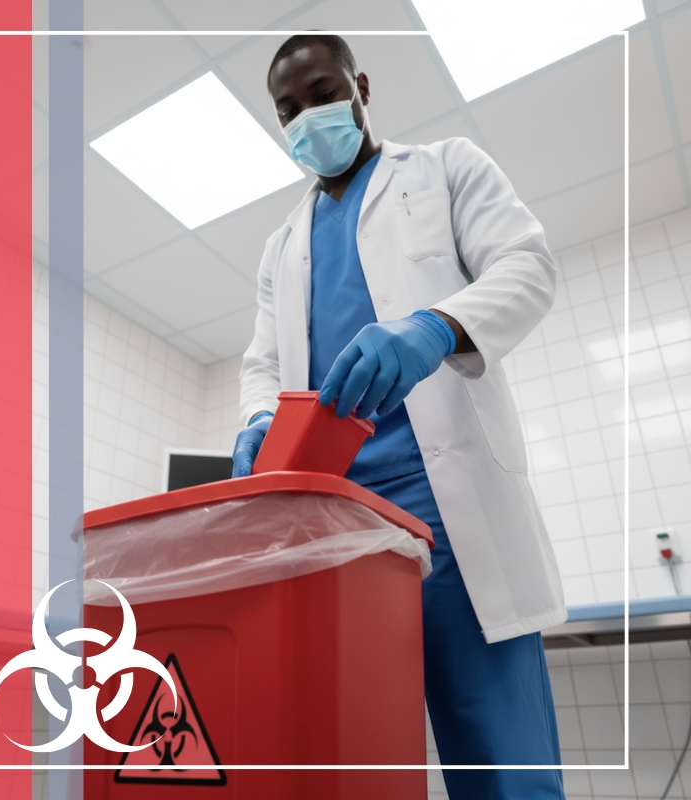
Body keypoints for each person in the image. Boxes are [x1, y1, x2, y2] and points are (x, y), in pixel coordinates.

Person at [232, 33, 568, 799]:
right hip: (338, 529)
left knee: (500, 763)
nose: (307, 118)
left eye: (322, 94)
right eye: (288, 110)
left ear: (361, 86)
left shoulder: (445, 168)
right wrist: (254, 421)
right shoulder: (281, 246)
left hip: (451, 519)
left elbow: (527, 264)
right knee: (351, 755)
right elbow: (262, 362)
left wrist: (434, 328)